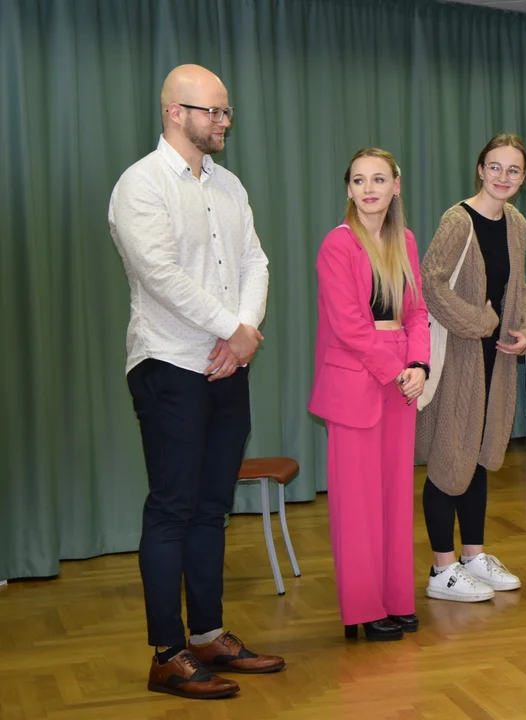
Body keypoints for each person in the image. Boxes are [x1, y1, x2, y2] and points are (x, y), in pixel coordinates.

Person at [108, 64, 284, 701]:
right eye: (212, 111)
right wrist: (230, 329)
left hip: (226, 366)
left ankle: (208, 635)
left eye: (226, 112)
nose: (223, 121)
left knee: (213, 508)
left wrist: (243, 332)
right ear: (173, 113)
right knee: (173, 510)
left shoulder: (230, 186)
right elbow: (158, 274)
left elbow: (254, 260)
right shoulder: (140, 186)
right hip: (168, 365)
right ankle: (167, 654)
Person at [308, 149, 430, 642]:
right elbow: (351, 327)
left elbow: (417, 311)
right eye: (358, 180)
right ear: (348, 189)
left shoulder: (405, 241)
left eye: (378, 179)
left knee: (395, 498)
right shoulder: (337, 245)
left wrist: (419, 365)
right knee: (358, 504)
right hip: (360, 379)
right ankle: (361, 608)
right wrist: (398, 371)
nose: (369, 188)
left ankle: (396, 599)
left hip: (401, 375)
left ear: (396, 185)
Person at [416, 133, 526, 602]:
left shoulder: (517, 225)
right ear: (480, 169)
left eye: (513, 170)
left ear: (522, 178)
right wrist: (480, 322)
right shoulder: (458, 220)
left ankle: (473, 556)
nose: (503, 177)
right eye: (495, 167)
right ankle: (441, 569)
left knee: (481, 455)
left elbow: (519, 287)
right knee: (451, 457)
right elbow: (430, 282)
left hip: (497, 359)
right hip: (459, 357)